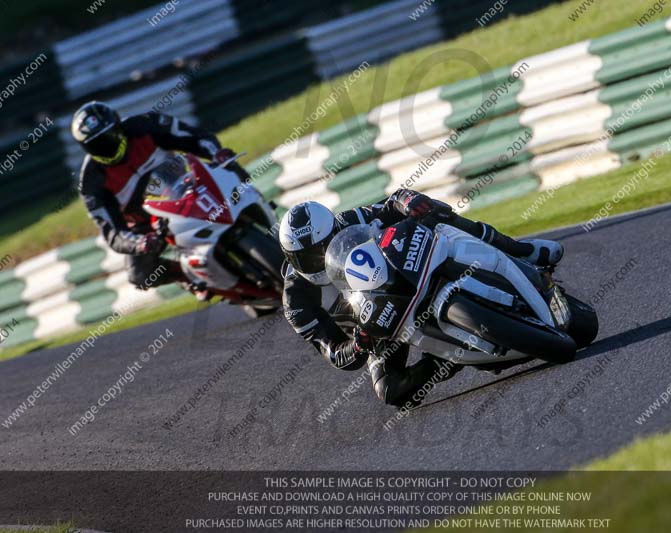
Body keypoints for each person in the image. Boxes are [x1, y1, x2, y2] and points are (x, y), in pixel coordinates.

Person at [279, 188, 564, 407]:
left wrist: (409, 201)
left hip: (401, 271)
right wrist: (357, 345)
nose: (319, 259)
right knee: (390, 390)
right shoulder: (296, 301)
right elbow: (333, 352)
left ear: (334, 230)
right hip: (374, 324)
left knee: (431, 212)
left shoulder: (347, 221)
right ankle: (449, 357)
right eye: (307, 256)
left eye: (324, 246)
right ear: (290, 258)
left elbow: (391, 203)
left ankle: (521, 251)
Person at [72, 101, 247, 294]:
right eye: (97, 144)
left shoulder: (145, 125)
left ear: (119, 126)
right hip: (148, 224)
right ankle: (191, 277)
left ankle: (258, 210)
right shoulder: (91, 183)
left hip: (186, 188)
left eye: (109, 137)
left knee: (230, 167)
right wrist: (140, 243)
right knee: (140, 275)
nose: (106, 146)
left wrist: (216, 154)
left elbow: (194, 137)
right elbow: (113, 232)